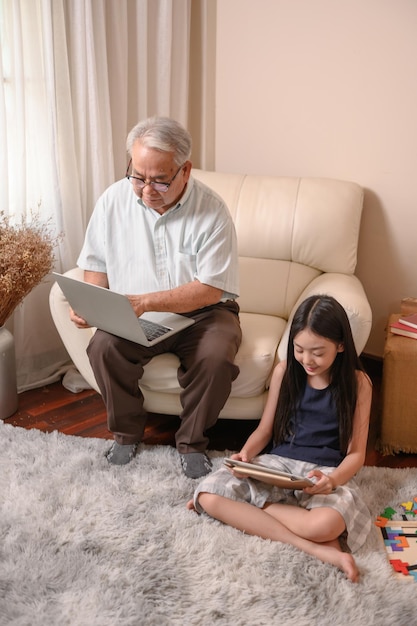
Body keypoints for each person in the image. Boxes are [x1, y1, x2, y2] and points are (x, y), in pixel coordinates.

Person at [70, 116, 242, 478]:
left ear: (185, 170)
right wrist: (93, 302)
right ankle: (127, 434)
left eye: (160, 180)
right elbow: (95, 264)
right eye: (138, 176)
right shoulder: (112, 201)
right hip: (133, 314)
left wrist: (145, 302)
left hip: (204, 313)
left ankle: (192, 443)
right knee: (103, 348)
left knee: (216, 359)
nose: (147, 189)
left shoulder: (212, 210)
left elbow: (209, 287)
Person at [187, 295, 372, 582]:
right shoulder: (285, 371)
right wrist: (246, 456)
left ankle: (250, 510)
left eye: (318, 352)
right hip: (278, 463)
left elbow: (356, 454)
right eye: (299, 349)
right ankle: (317, 549)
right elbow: (265, 431)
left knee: (326, 524)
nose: (307, 360)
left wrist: (332, 482)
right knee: (210, 493)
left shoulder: (359, 383)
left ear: (341, 345)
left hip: (324, 473)